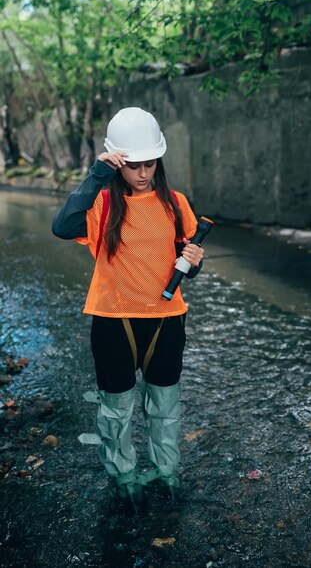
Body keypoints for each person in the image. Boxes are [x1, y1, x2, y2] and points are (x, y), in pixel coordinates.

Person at [52, 106, 204, 513]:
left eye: (149, 163)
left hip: (167, 319)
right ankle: (122, 474)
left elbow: (185, 260)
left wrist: (195, 258)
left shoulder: (175, 204)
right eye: (133, 165)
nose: (142, 172)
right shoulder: (101, 204)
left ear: (158, 160)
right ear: (118, 162)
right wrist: (97, 174)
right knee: (117, 406)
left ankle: (164, 469)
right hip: (114, 318)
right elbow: (62, 226)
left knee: (164, 403)